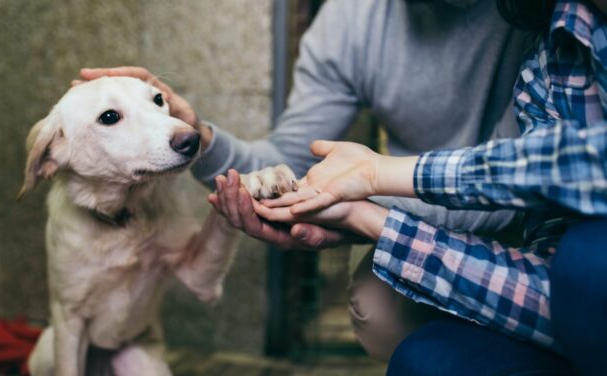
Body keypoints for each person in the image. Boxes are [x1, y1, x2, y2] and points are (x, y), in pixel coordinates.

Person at [78, 0, 544, 365]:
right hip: (406, 203)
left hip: (531, 213)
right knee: (379, 313)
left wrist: (359, 210)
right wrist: (196, 137)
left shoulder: (534, 16)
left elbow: (525, 179)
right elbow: (285, 157)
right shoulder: (349, 20)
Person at [256, 0, 607, 373]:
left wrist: (380, 175)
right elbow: (560, 296)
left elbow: (570, 164)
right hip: (549, 267)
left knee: (587, 259)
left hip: (509, 222)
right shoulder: (553, 51)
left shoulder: (517, 33)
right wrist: (366, 219)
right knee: (422, 360)